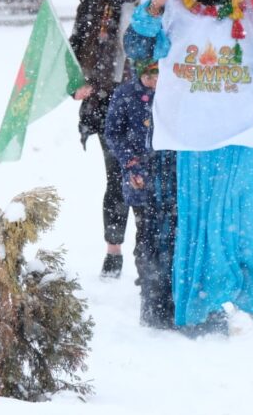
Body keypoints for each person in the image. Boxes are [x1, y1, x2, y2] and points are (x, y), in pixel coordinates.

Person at [129, 0, 253, 334]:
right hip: (184, 139)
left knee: (245, 227)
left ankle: (245, 300)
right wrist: (157, 0)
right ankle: (189, 301)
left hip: (246, 134)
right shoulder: (169, 6)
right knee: (187, 227)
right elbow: (136, 48)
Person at [68, 0, 156, 279]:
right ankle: (114, 249)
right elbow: (78, 43)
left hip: (150, 97)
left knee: (151, 175)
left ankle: (148, 250)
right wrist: (77, 82)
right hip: (107, 96)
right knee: (117, 175)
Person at [104, 58, 177, 328]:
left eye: (159, 76)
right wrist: (131, 162)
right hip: (139, 178)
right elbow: (113, 133)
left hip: (168, 176)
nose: (155, 82)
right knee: (145, 231)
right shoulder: (125, 95)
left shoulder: (172, 92)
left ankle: (166, 282)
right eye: (149, 77)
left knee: (168, 231)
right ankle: (146, 276)